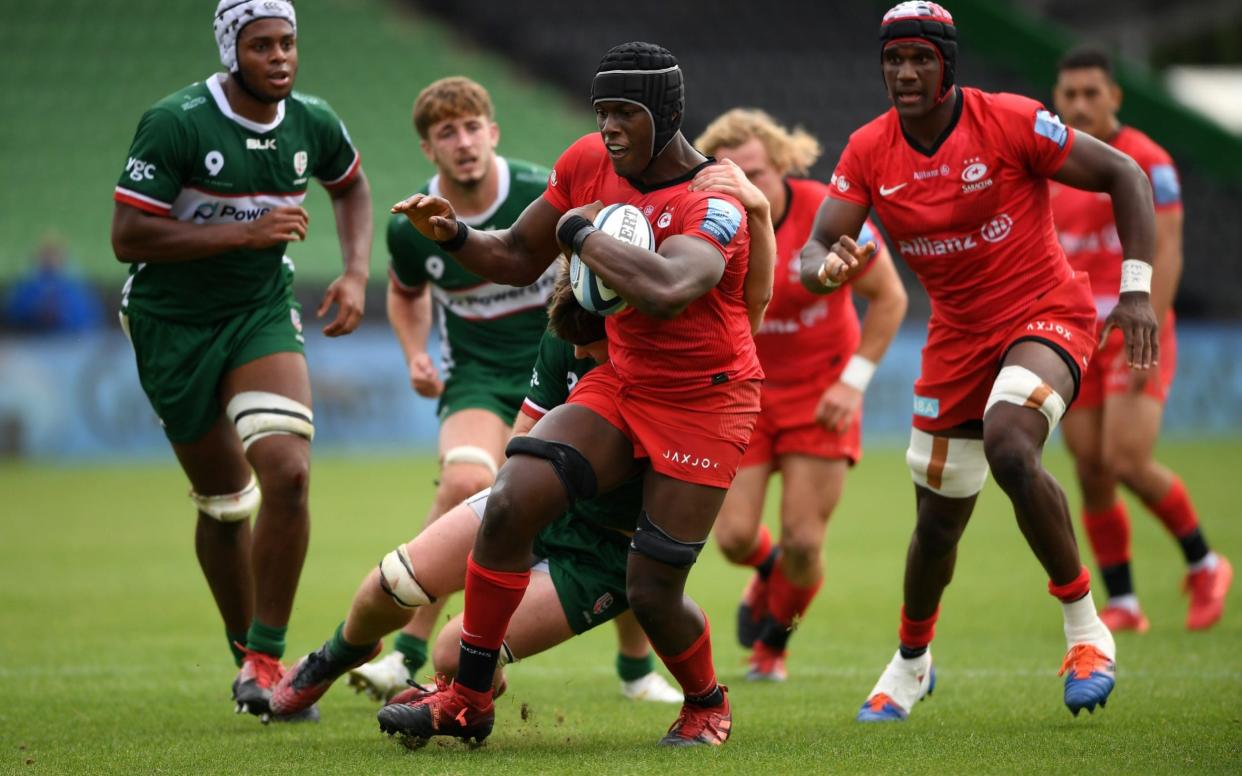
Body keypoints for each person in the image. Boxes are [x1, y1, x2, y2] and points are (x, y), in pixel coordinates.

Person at [380, 42, 770, 748]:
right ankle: (468, 698)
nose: (609, 128)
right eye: (602, 112)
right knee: (511, 497)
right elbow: (515, 255)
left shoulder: (715, 200)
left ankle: (706, 702)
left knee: (652, 589)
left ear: (668, 113)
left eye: (625, 113)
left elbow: (671, 286)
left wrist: (580, 233)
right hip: (624, 381)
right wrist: (459, 234)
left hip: (708, 401)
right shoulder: (589, 162)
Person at [802, 2, 1160, 721]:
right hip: (955, 340)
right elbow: (816, 249)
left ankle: (1087, 631)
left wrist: (1137, 292)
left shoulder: (1010, 120)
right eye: (893, 60)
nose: (904, 72)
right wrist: (825, 271)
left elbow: (1126, 174)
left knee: (1009, 443)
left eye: (920, 59)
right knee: (937, 524)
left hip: (1045, 313)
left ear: (947, 65)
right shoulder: (870, 149)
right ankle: (911, 662)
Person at [350, 76, 678, 706]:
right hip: (479, 373)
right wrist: (415, 352)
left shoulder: (541, 191)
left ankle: (636, 668)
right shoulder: (410, 220)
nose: (464, 142)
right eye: (447, 133)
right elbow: (406, 290)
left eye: (473, 127)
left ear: (493, 133)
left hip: (568, 360)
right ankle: (410, 653)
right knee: (470, 486)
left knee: (616, 504)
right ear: (428, 149)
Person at [110, 0, 372, 722]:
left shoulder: (311, 120)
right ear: (233, 51)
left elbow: (349, 183)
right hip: (171, 325)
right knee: (226, 503)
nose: (280, 57)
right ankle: (243, 658)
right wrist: (248, 232)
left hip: (258, 314)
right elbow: (128, 235)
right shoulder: (177, 121)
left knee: (287, 472)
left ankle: (267, 659)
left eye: (288, 43)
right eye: (262, 46)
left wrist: (354, 272)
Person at [269, 268, 680, 717]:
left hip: (599, 551)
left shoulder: (671, 367)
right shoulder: (566, 338)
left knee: (453, 653)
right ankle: (337, 654)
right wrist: (506, 519)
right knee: (391, 583)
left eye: (588, 340)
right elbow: (523, 437)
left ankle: (466, 696)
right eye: (571, 339)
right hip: (536, 506)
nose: (577, 350)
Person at [695, 109, 908, 681]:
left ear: (783, 164)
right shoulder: (714, 224)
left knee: (805, 542)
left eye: (759, 172)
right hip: (748, 393)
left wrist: (852, 382)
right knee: (735, 537)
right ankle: (768, 570)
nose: (748, 185)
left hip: (822, 392)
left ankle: (773, 648)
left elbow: (890, 299)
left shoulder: (828, 212)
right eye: (734, 174)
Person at [1050, 47, 1231, 632]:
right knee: (1090, 469)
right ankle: (1124, 603)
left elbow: (1169, 247)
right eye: (1070, 94)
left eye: (1091, 93)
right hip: (1075, 332)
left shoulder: (1148, 160)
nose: (1079, 104)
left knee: (1126, 459)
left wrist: (1148, 320)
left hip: (1135, 328)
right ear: (1057, 98)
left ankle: (1205, 564)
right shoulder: (1049, 160)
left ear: (1114, 98)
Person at [2, 235, 105, 333]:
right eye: (47, 255)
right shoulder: (27, 286)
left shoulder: (75, 286)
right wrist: (38, 311)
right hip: (32, 341)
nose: (50, 260)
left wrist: (62, 314)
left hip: (69, 342)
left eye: (54, 256)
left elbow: (90, 318)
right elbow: (13, 314)